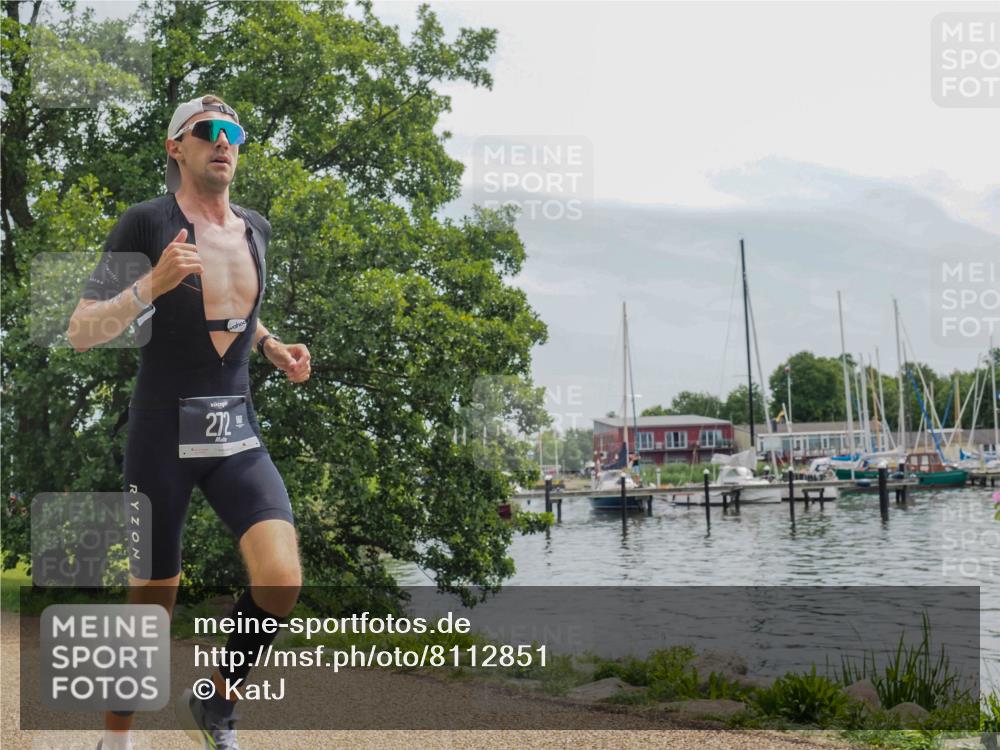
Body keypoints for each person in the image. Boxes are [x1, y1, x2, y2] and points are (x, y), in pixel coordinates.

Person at [68, 94, 310, 750]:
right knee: (150, 605)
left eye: (234, 131)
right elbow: (81, 332)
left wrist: (270, 346)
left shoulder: (256, 227)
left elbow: (236, 308)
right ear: (177, 147)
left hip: (235, 428)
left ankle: (217, 701)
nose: (225, 140)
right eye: (209, 131)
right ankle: (114, 741)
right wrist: (147, 287)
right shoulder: (146, 224)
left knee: (281, 577)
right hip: (160, 434)